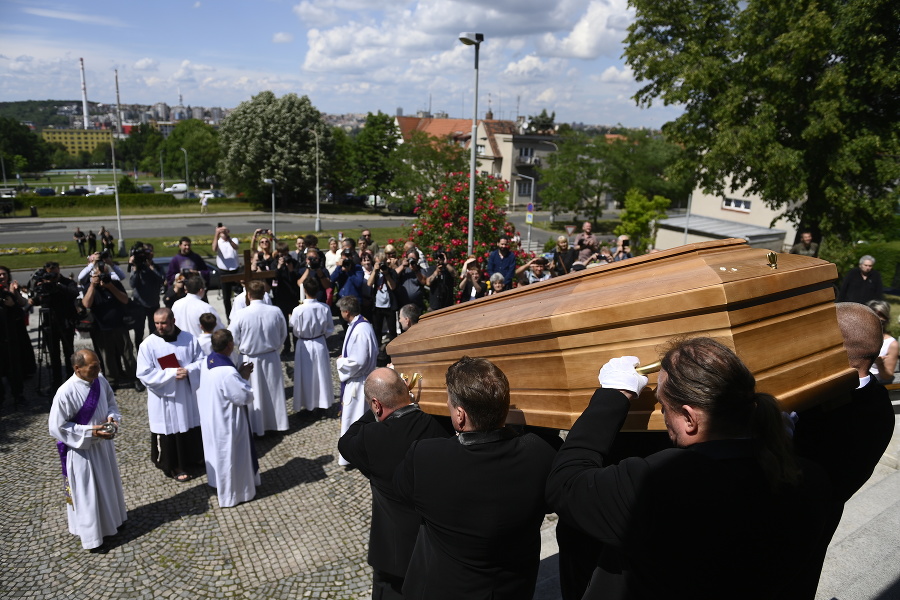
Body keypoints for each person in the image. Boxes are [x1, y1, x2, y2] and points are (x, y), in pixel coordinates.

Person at [546, 339, 830, 600]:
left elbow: (567, 484)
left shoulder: (658, 485)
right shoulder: (810, 478)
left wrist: (612, 396)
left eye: (663, 406)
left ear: (689, 418)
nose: (661, 415)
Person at [393, 356, 556, 599]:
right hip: (513, 589)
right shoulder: (541, 453)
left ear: (460, 415)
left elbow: (401, 492)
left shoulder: (426, 458)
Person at [787, 303, 896, 598]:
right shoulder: (880, 405)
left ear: (830, 344)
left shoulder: (829, 404)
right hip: (818, 522)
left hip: (787, 528)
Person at [338, 368, 449, 598]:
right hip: (439, 550)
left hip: (394, 557)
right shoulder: (440, 425)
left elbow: (345, 442)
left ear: (376, 405)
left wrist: (373, 412)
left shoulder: (370, 439)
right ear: (405, 393)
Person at [48, 349, 127, 550]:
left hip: (104, 447)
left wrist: (112, 420)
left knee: (108, 486)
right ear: (78, 368)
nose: (99, 370)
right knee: (88, 493)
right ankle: (93, 538)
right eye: (93, 367)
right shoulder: (65, 392)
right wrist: (92, 432)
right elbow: (57, 427)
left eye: (99, 365)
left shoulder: (100, 381)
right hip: (83, 452)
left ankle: (114, 522)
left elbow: (111, 404)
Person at [136, 308, 204, 482]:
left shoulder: (188, 338)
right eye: (156, 323)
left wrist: (188, 370)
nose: (160, 327)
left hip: (186, 393)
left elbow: (201, 361)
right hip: (164, 397)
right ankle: (173, 465)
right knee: (170, 429)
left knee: (190, 423)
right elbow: (143, 373)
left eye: (164, 323)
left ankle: (194, 457)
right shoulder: (148, 344)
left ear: (173, 321)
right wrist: (171, 374)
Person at [197, 329, 259, 508]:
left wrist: (238, 375)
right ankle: (234, 494)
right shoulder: (226, 372)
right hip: (228, 421)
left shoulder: (207, 361)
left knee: (218, 454)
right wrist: (244, 377)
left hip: (212, 416)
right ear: (230, 345)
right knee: (230, 457)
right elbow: (243, 397)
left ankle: (218, 483)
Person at [228, 280, 289, 436]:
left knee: (254, 394)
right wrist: (275, 348)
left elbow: (232, 338)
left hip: (249, 358)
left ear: (248, 295)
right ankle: (276, 424)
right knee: (272, 391)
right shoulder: (275, 311)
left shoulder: (240, 314)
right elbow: (283, 334)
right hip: (271, 357)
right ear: (264, 294)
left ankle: (256, 427)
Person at [335, 296, 378, 466]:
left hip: (358, 384)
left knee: (355, 419)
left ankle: (354, 455)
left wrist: (341, 362)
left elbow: (358, 361)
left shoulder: (361, 329)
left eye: (340, 311)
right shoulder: (360, 325)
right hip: (359, 379)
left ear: (346, 312)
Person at [82, 261, 138, 390]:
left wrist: (110, 286)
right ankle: (112, 381)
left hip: (119, 325)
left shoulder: (115, 284)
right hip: (102, 327)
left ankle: (134, 378)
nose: (102, 277)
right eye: (99, 274)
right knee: (107, 356)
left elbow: (125, 299)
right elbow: (86, 304)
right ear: (93, 274)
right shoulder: (90, 287)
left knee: (127, 353)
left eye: (105, 274)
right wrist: (92, 286)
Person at [28, 261, 78, 391]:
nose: (52, 275)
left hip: (66, 322)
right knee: (54, 355)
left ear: (58, 269)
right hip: (49, 323)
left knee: (69, 353)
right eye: (49, 272)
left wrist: (57, 285)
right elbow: (36, 300)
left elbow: (74, 293)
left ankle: (71, 379)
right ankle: (56, 382)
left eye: (54, 271)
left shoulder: (66, 282)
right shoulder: (44, 283)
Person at [290, 278, 335, 414]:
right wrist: (320, 336)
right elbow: (330, 328)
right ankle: (322, 402)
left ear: (305, 291)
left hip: (303, 344)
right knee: (320, 373)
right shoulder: (324, 307)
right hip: (319, 342)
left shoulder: (298, 310)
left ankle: (310, 405)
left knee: (306, 375)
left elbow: (295, 329)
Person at [0, 266, 30, 404]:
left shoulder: (10, 293)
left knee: (14, 365)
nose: (1, 277)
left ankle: (18, 393)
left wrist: (12, 302)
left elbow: (21, 311)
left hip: (12, 334)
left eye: (4, 274)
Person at [128, 242, 165, 349]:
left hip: (153, 303)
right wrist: (135, 268)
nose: (148, 254)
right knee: (139, 331)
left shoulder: (156, 267)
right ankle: (140, 351)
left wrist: (151, 267)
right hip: (139, 304)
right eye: (146, 252)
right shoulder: (138, 267)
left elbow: (162, 280)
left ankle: (154, 349)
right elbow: (132, 284)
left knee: (155, 330)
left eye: (150, 251)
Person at [368, 251, 398, 344]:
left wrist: (386, 274)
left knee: (392, 330)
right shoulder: (375, 273)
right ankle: (378, 349)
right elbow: (369, 283)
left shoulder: (392, 272)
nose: (381, 265)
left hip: (389, 305)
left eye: (382, 263)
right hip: (377, 305)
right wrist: (375, 271)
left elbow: (393, 287)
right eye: (378, 263)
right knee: (377, 330)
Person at [866, 300, 898, 384]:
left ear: (887, 321)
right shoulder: (858, 337)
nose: (876, 325)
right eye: (873, 320)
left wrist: (880, 364)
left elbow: (887, 376)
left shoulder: (891, 344)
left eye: (881, 322)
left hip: (874, 385)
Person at [212, 224, 241, 318]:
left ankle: (239, 313)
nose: (223, 233)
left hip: (235, 270)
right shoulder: (219, 242)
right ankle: (229, 316)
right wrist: (216, 234)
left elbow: (235, 247)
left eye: (225, 231)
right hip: (224, 271)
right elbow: (214, 248)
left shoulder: (234, 239)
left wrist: (228, 237)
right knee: (226, 297)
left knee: (238, 293)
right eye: (222, 232)